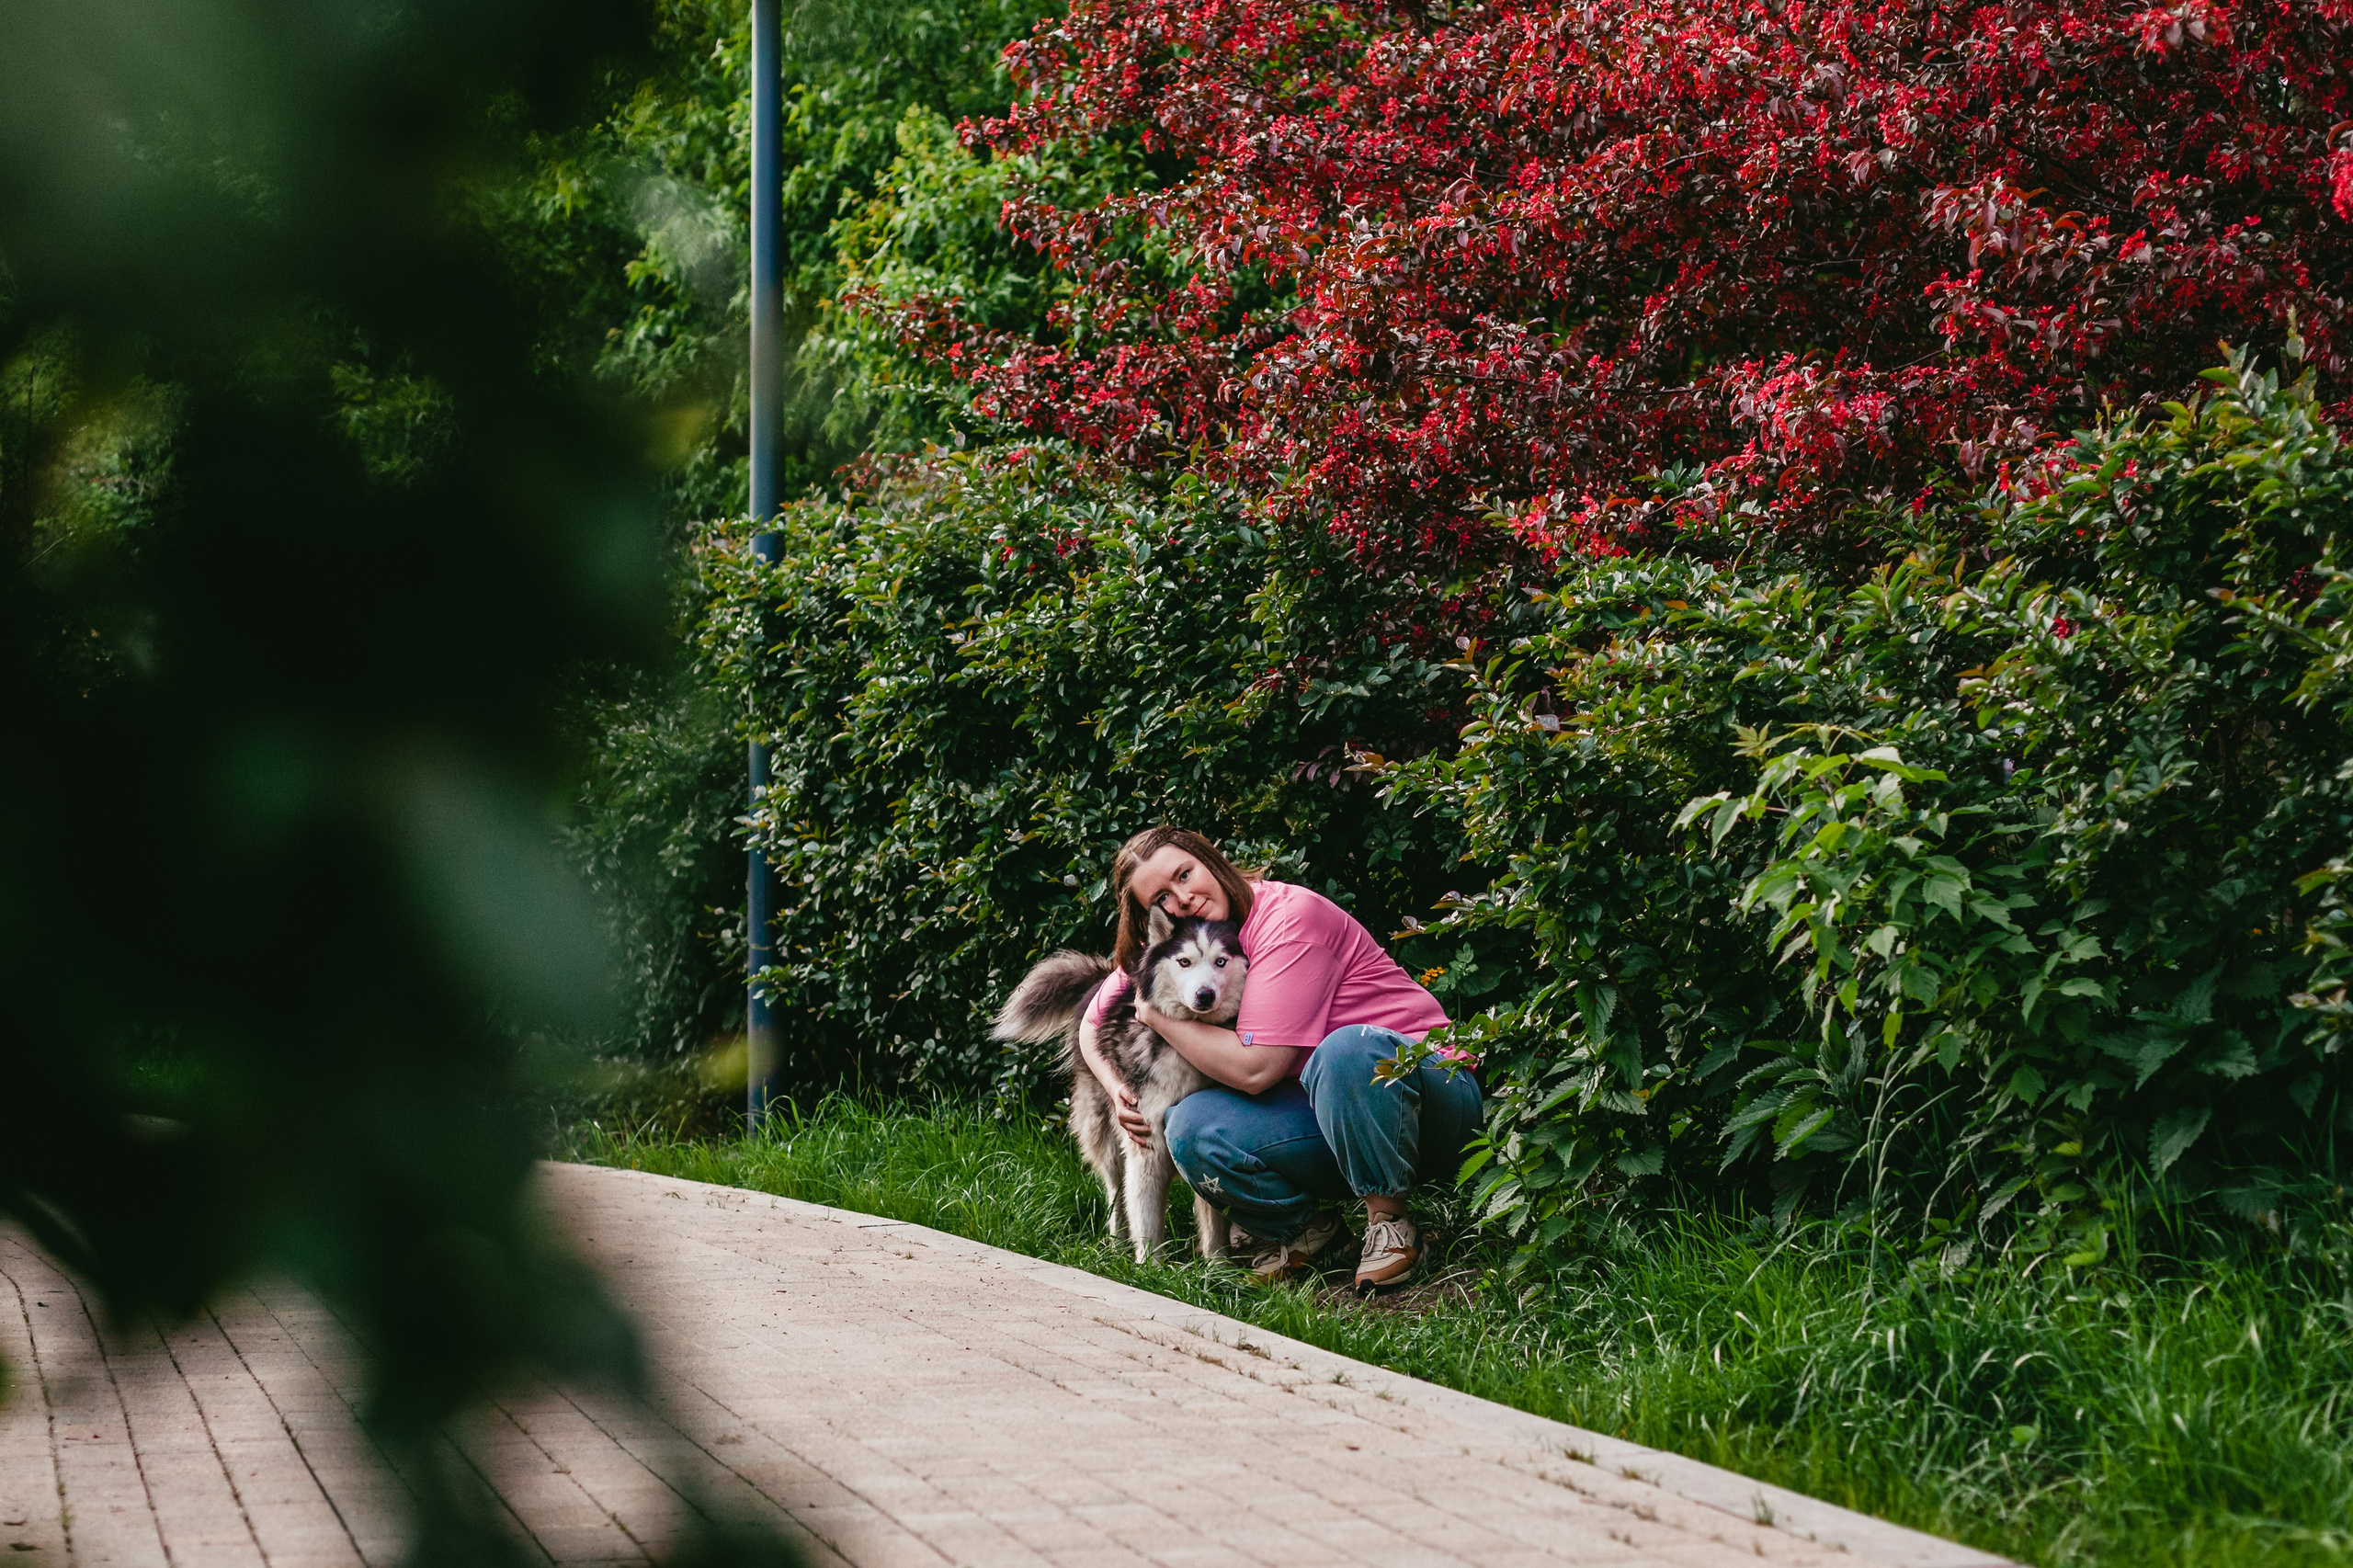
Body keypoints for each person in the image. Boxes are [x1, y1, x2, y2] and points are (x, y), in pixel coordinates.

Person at [1074, 826, 1480, 1290]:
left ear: (1209, 859)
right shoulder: (1194, 944)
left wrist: (1156, 1017)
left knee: (1344, 1050)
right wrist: (1115, 1089)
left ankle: (1390, 1225)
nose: (1182, 897)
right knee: (1191, 1125)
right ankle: (1311, 1232)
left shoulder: (1287, 919)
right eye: (1163, 896)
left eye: (1185, 874)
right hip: (1335, 1117)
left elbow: (1257, 1069)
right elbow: (1092, 1020)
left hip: (1429, 1096)